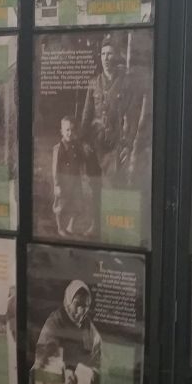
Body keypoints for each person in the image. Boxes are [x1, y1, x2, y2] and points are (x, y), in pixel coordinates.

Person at [80, 35, 150, 188]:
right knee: (94, 185)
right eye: (103, 54)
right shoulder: (94, 83)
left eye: (110, 54)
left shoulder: (126, 83)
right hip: (95, 142)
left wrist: (128, 144)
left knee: (114, 184)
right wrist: (83, 140)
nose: (106, 58)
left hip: (116, 144)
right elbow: (86, 115)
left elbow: (132, 116)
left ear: (116, 57)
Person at [51, 116, 98, 238]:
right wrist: (57, 185)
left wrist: (86, 153)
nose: (70, 133)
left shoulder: (76, 146)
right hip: (64, 182)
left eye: (72, 130)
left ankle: (70, 227)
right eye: (67, 130)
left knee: (78, 206)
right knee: (60, 206)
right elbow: (55, 169)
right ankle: (60, 228)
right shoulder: (59, 148)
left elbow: (81, 160)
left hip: (76, 181)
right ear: (61, 131)